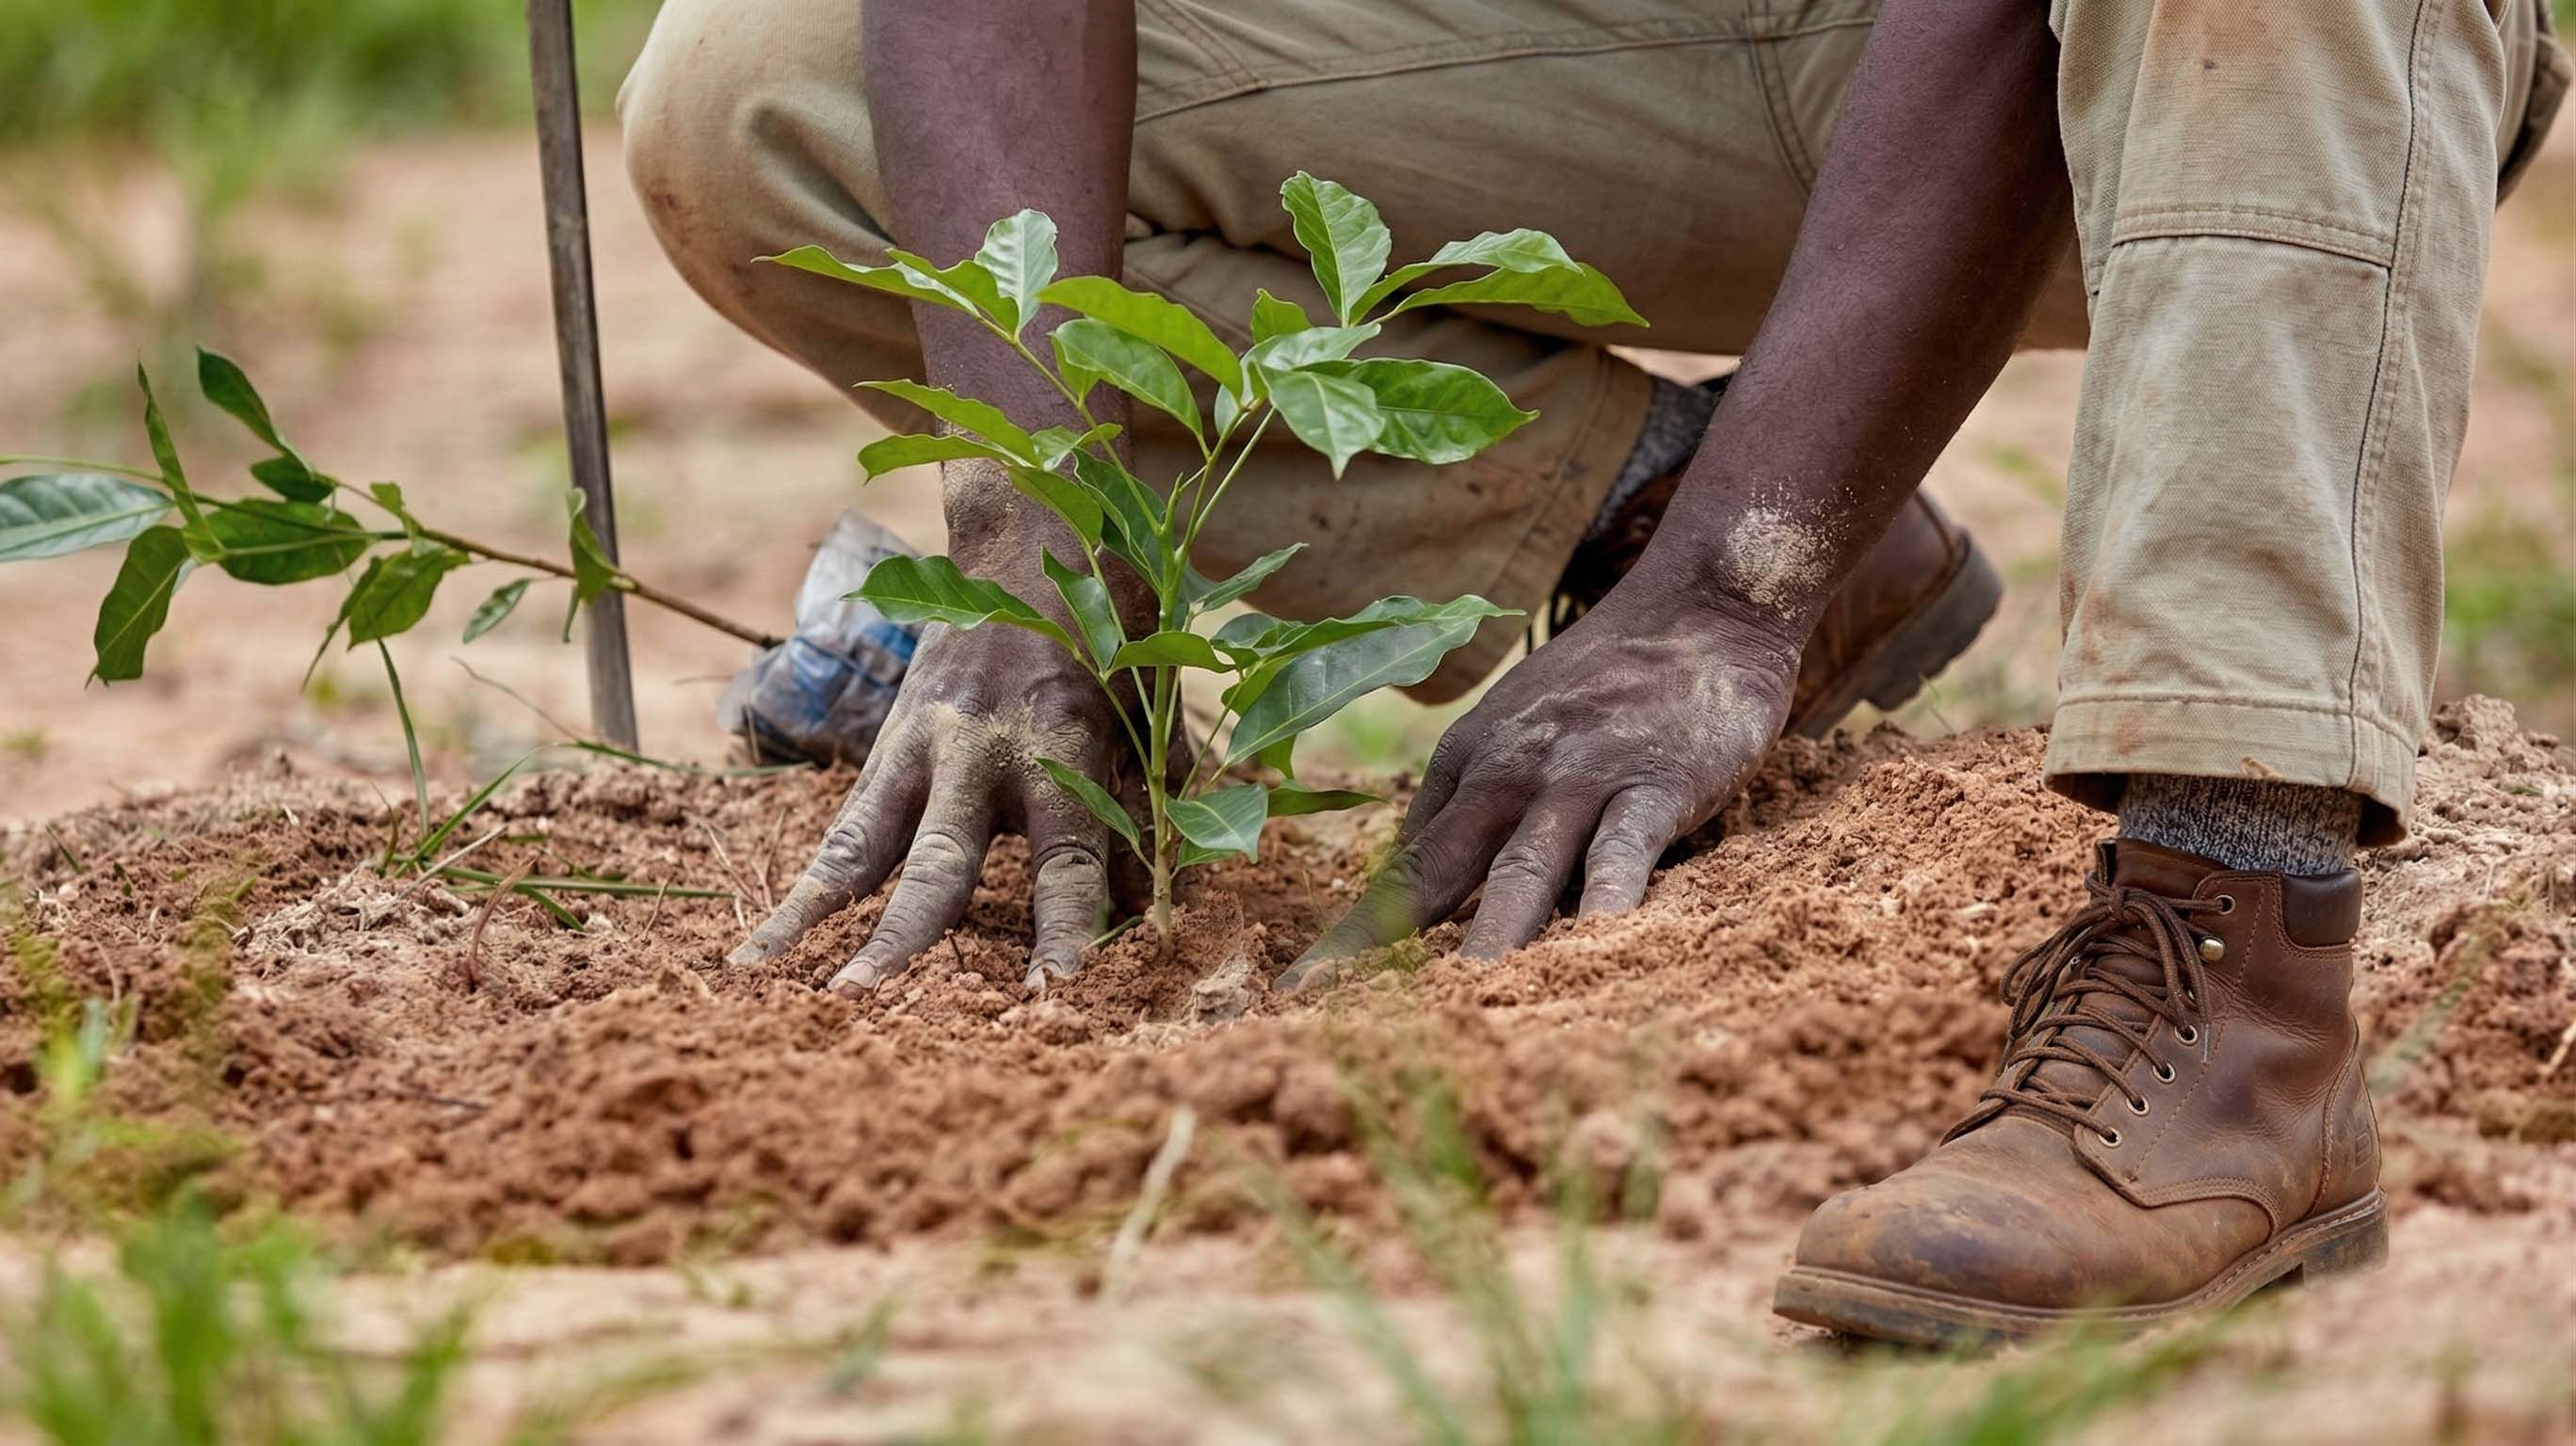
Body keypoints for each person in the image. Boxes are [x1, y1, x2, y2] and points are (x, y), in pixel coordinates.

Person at [618, 0, 2565, 1344]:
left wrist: (1750, 577)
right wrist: (1035, 541)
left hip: (2167, 55)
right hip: (1637, 58)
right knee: (764, 90)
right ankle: (1622, 507)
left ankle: (2234, 965)